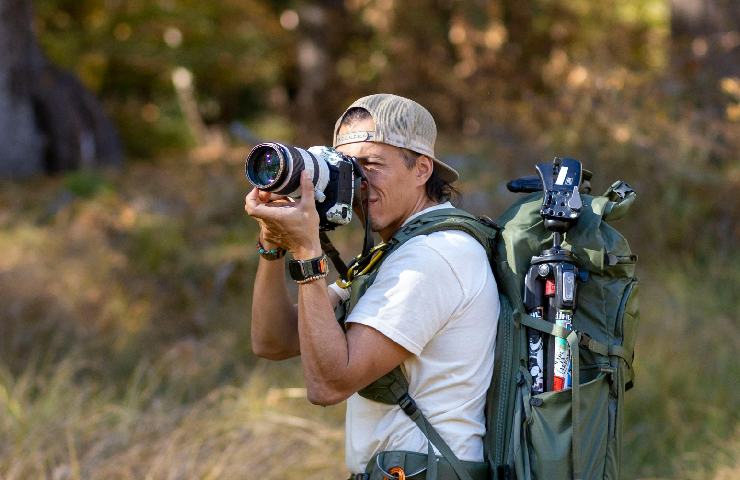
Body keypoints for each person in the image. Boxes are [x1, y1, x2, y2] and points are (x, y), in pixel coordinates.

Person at [245, 94, 499, 477]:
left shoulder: (434, 257)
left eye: (372, 165)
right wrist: (272, 245)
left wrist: (306, 250)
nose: (359, 183)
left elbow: (328, 385)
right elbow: (274, 341)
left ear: (422, 169)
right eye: (348, 168)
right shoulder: (394, 254)